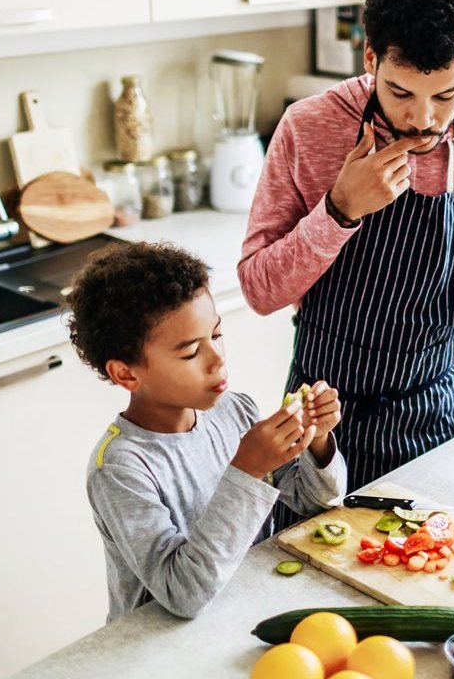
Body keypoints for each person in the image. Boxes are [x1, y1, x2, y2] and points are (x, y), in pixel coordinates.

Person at [238, 0, 454, 493]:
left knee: (432, 565)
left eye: (445, 96)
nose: (422, 119)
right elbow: (259, 291)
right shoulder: (308, 129)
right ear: (371, 58)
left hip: (432, 411)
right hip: (321, 418)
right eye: (401, 93)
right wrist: (339, 210)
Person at [66, 242, 346, 621]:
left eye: (215, 335)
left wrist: (317, 441)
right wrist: (246, 470)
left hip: (243, 617)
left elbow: (316, 504)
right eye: (190, 353)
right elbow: (183, 593)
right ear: (126, 373)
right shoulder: (120, 469)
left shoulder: (236, 411)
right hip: (157, 650)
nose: (218, 360)